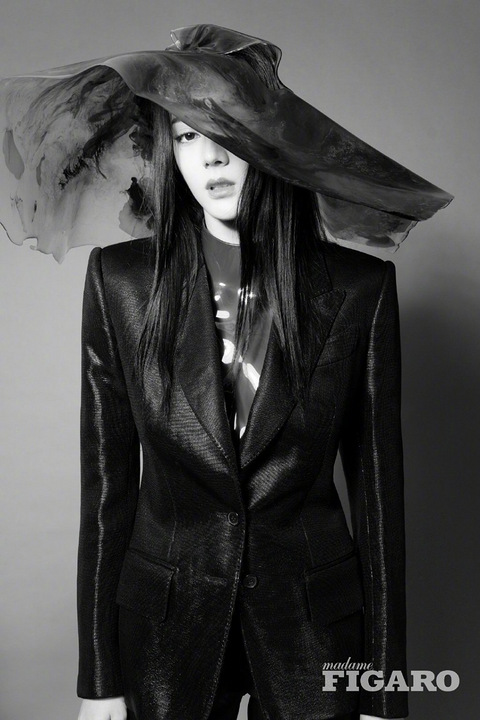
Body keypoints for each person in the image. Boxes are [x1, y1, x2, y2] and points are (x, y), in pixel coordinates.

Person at [0, 24, 452, 720]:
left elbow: (378, 503)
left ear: (266, 142)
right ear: (168, 151)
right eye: (186, 136)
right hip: (164, 630)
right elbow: (107, 492)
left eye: (226, 135)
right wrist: (99, 681)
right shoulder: (120, 283)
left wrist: (384, 692)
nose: (209, 157)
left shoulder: (360, 291)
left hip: (313, 635)